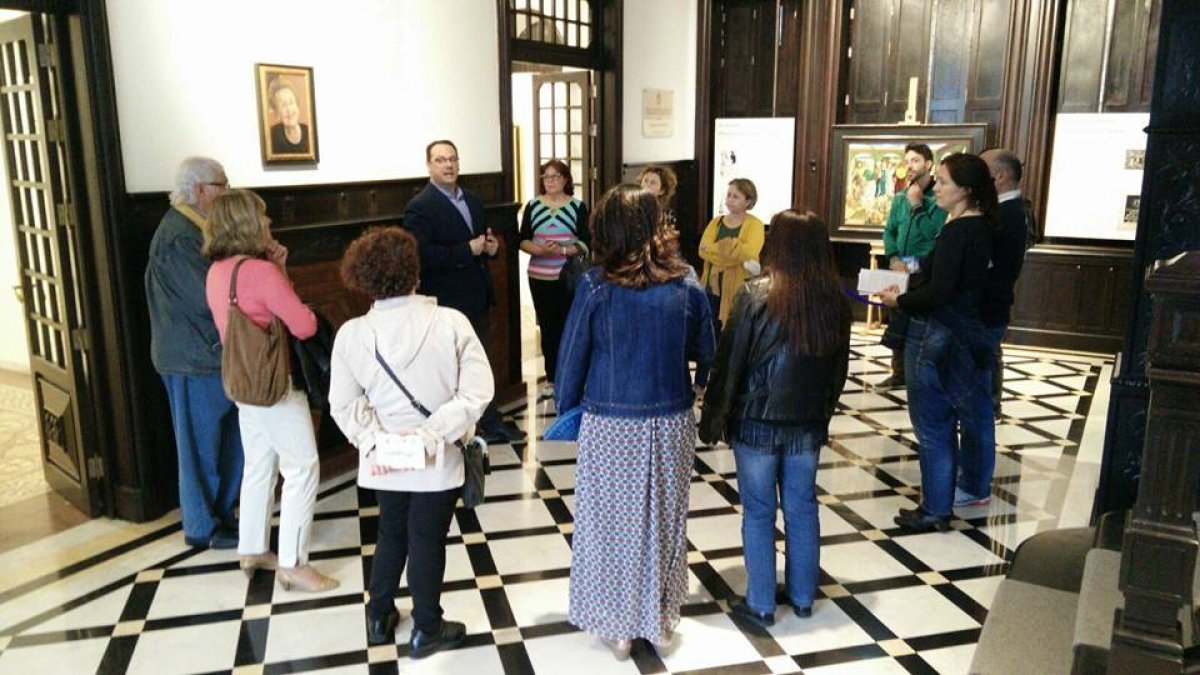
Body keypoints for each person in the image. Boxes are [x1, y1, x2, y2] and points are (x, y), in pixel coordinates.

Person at [556, 184, 715, 660]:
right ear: (656, 225)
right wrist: (698, 385)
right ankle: (661, 621)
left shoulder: (595, 283)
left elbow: (570, 361)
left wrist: (567, 408)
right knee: (665, 520)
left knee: (610, 524)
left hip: (610, 420)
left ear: (606, 228)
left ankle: (619, 627)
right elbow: (707, 350)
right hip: (670, 418)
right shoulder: (686, 281)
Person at [329, 227, 493, 658]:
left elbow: (343, 405)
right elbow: (477, 393)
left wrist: (376, 442)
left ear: (362, 277)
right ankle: (427, 628)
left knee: (390, 532)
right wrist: (428, 436)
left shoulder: (351, 334)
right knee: (426, 539)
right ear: (414, 271)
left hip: (384, 459)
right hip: (436, 459)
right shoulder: (451, 323)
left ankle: (379, 616)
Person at [699, 209, 851, 627]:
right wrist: (822, 414)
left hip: (757, 421)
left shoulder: (755, 294)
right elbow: (838, 372)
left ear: (776, 244)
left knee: (760, 510)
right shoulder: (834, 300)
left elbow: (730, 364)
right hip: (806, 423)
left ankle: (762, 602)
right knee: (803, 507)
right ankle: (803, 597)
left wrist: (713, 418)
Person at [202, 190, 338, 592]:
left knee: (259, 464)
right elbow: (303, 326)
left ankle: (253, 548)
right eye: (262, 218)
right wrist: (284, 279)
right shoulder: (260, 273)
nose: (269, 224)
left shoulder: (217, 271)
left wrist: (280, 269)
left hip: (242, 383)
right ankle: (294, 563)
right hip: (275, 387)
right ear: (245, 224)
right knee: (302, 467)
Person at [879, 153, 996, 532]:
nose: (937, 188)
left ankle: (935, 507)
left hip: (936, 333)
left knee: (932, 424)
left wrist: (900, 300)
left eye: (943, 182)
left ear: (966, 190)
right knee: (944, 420)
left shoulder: (961, 231)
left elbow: (940, 291)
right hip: (961, 332)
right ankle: (940, 502)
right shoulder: (977, 228)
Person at [145, 156, 242, 550]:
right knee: (199, 447)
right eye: (223, 185)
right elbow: (208, 299)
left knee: (226, 442)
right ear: (200, 191)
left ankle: (223, 513)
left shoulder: (196, 228)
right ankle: (202, 526)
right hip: (191, 359)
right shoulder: (178, 236)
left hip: (211, 355)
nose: (228, 192)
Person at [403, 139, 524, 444]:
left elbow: (483, 240)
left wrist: (492, 249)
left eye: (453, 159)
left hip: (477, 296)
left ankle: (487, 420)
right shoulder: (420, 207)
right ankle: (463, 426)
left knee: (479, 362)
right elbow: (422, 256)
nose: (449, 165)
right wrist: (465, 250)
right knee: (451, 367)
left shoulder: (472, 200)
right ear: (429, 165)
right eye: (441, 160)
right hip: (447, 300)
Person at [518, 159, 590, 397]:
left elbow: (586, 242)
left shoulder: (578, 207)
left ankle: (573, 374)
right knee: (547, 327)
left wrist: (564, 250)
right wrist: (538, 250)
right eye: (546, 177)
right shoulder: (533, 205)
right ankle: (552, 376)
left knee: (570, 325)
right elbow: (523, 239)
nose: (550, 181)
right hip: (539, 276)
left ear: (566, 180)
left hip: (567, 276)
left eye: (555, 176)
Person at [878, 143, 947, 389]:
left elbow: (936, 234)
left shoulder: (938, 199)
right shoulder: (900, 198)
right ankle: (898, 374)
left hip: (924, 272)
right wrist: (894, 257)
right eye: (907, 161)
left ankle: (919, 376)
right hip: (900, 269)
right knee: (897, 320)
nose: (909, 166)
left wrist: (918, 205)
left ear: (929, 165)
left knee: (918, 322)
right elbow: (890, 231)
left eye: (915, 160)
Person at [980, 149, 1033, 421]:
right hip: (994, 303)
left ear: (999, 176)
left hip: (990, 304)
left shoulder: (1008, 213)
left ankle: (989, 409)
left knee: (984, 366)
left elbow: (991, 263)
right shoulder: (1007, 209)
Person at [698, 178, 765, 334]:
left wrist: (716, 249)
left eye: (736, 196)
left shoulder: (755, 225)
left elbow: (749, 252)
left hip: (739, 289)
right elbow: (702, 250)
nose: (730, 200)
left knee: (733, 333)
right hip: (711, 287)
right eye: (729, 195)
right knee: (710, 332)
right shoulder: (716, 222)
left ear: (748, 201)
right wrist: (733, 249)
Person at [268, 78, 310, 155]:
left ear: (297, 106)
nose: (289, 110)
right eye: (283, 105)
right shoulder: (271, 135)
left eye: (291, 102)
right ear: (277, 112)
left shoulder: (310, 133)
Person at [637, 165, 678, 229]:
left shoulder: (664, 216)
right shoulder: (631, 209)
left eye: (653, 183)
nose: (647, 185)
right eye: (645, 181)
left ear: (662, 191)